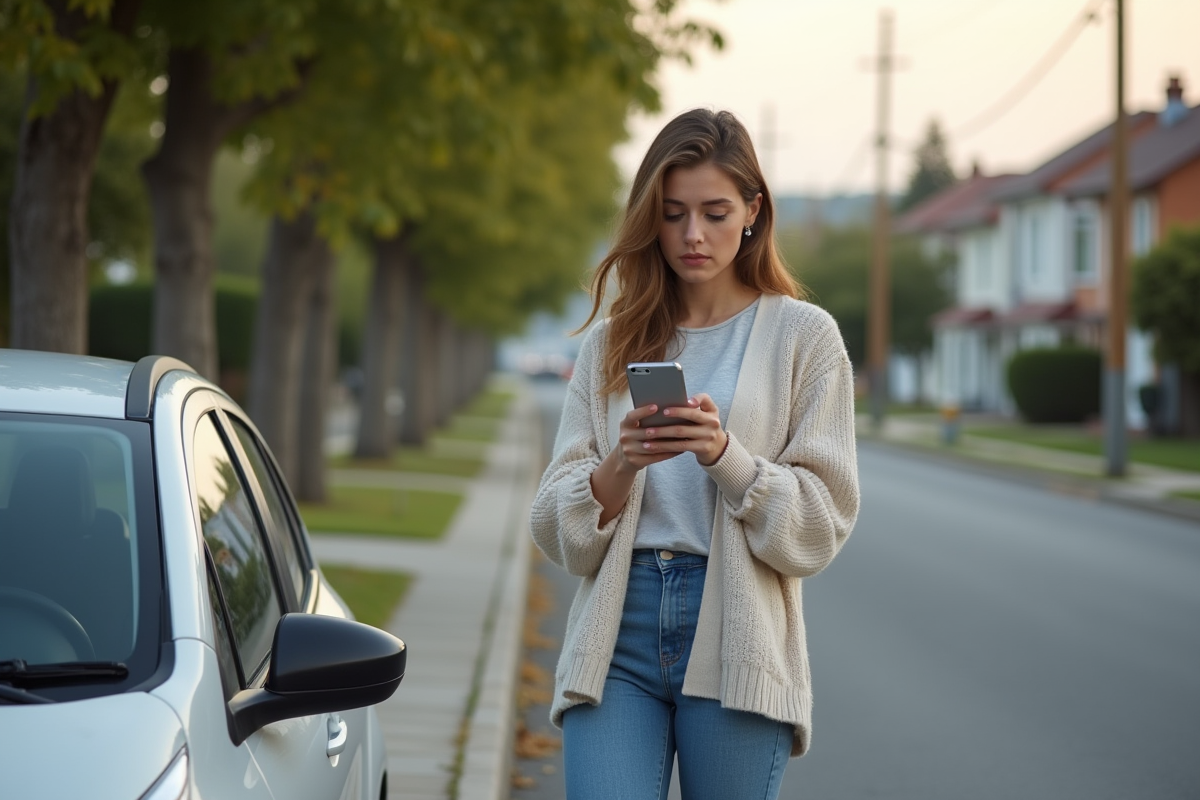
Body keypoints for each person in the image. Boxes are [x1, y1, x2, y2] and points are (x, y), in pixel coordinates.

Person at [529, 108, 860, 800]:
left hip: (737, 636)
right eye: (673, 213)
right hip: (617, 636)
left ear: (753, 211)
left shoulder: (806, 338)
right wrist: (620, 464)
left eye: (714, 212)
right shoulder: (614, 341)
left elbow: (821, 525)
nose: (692, 235)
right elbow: (555, 527)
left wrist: (726, 457)